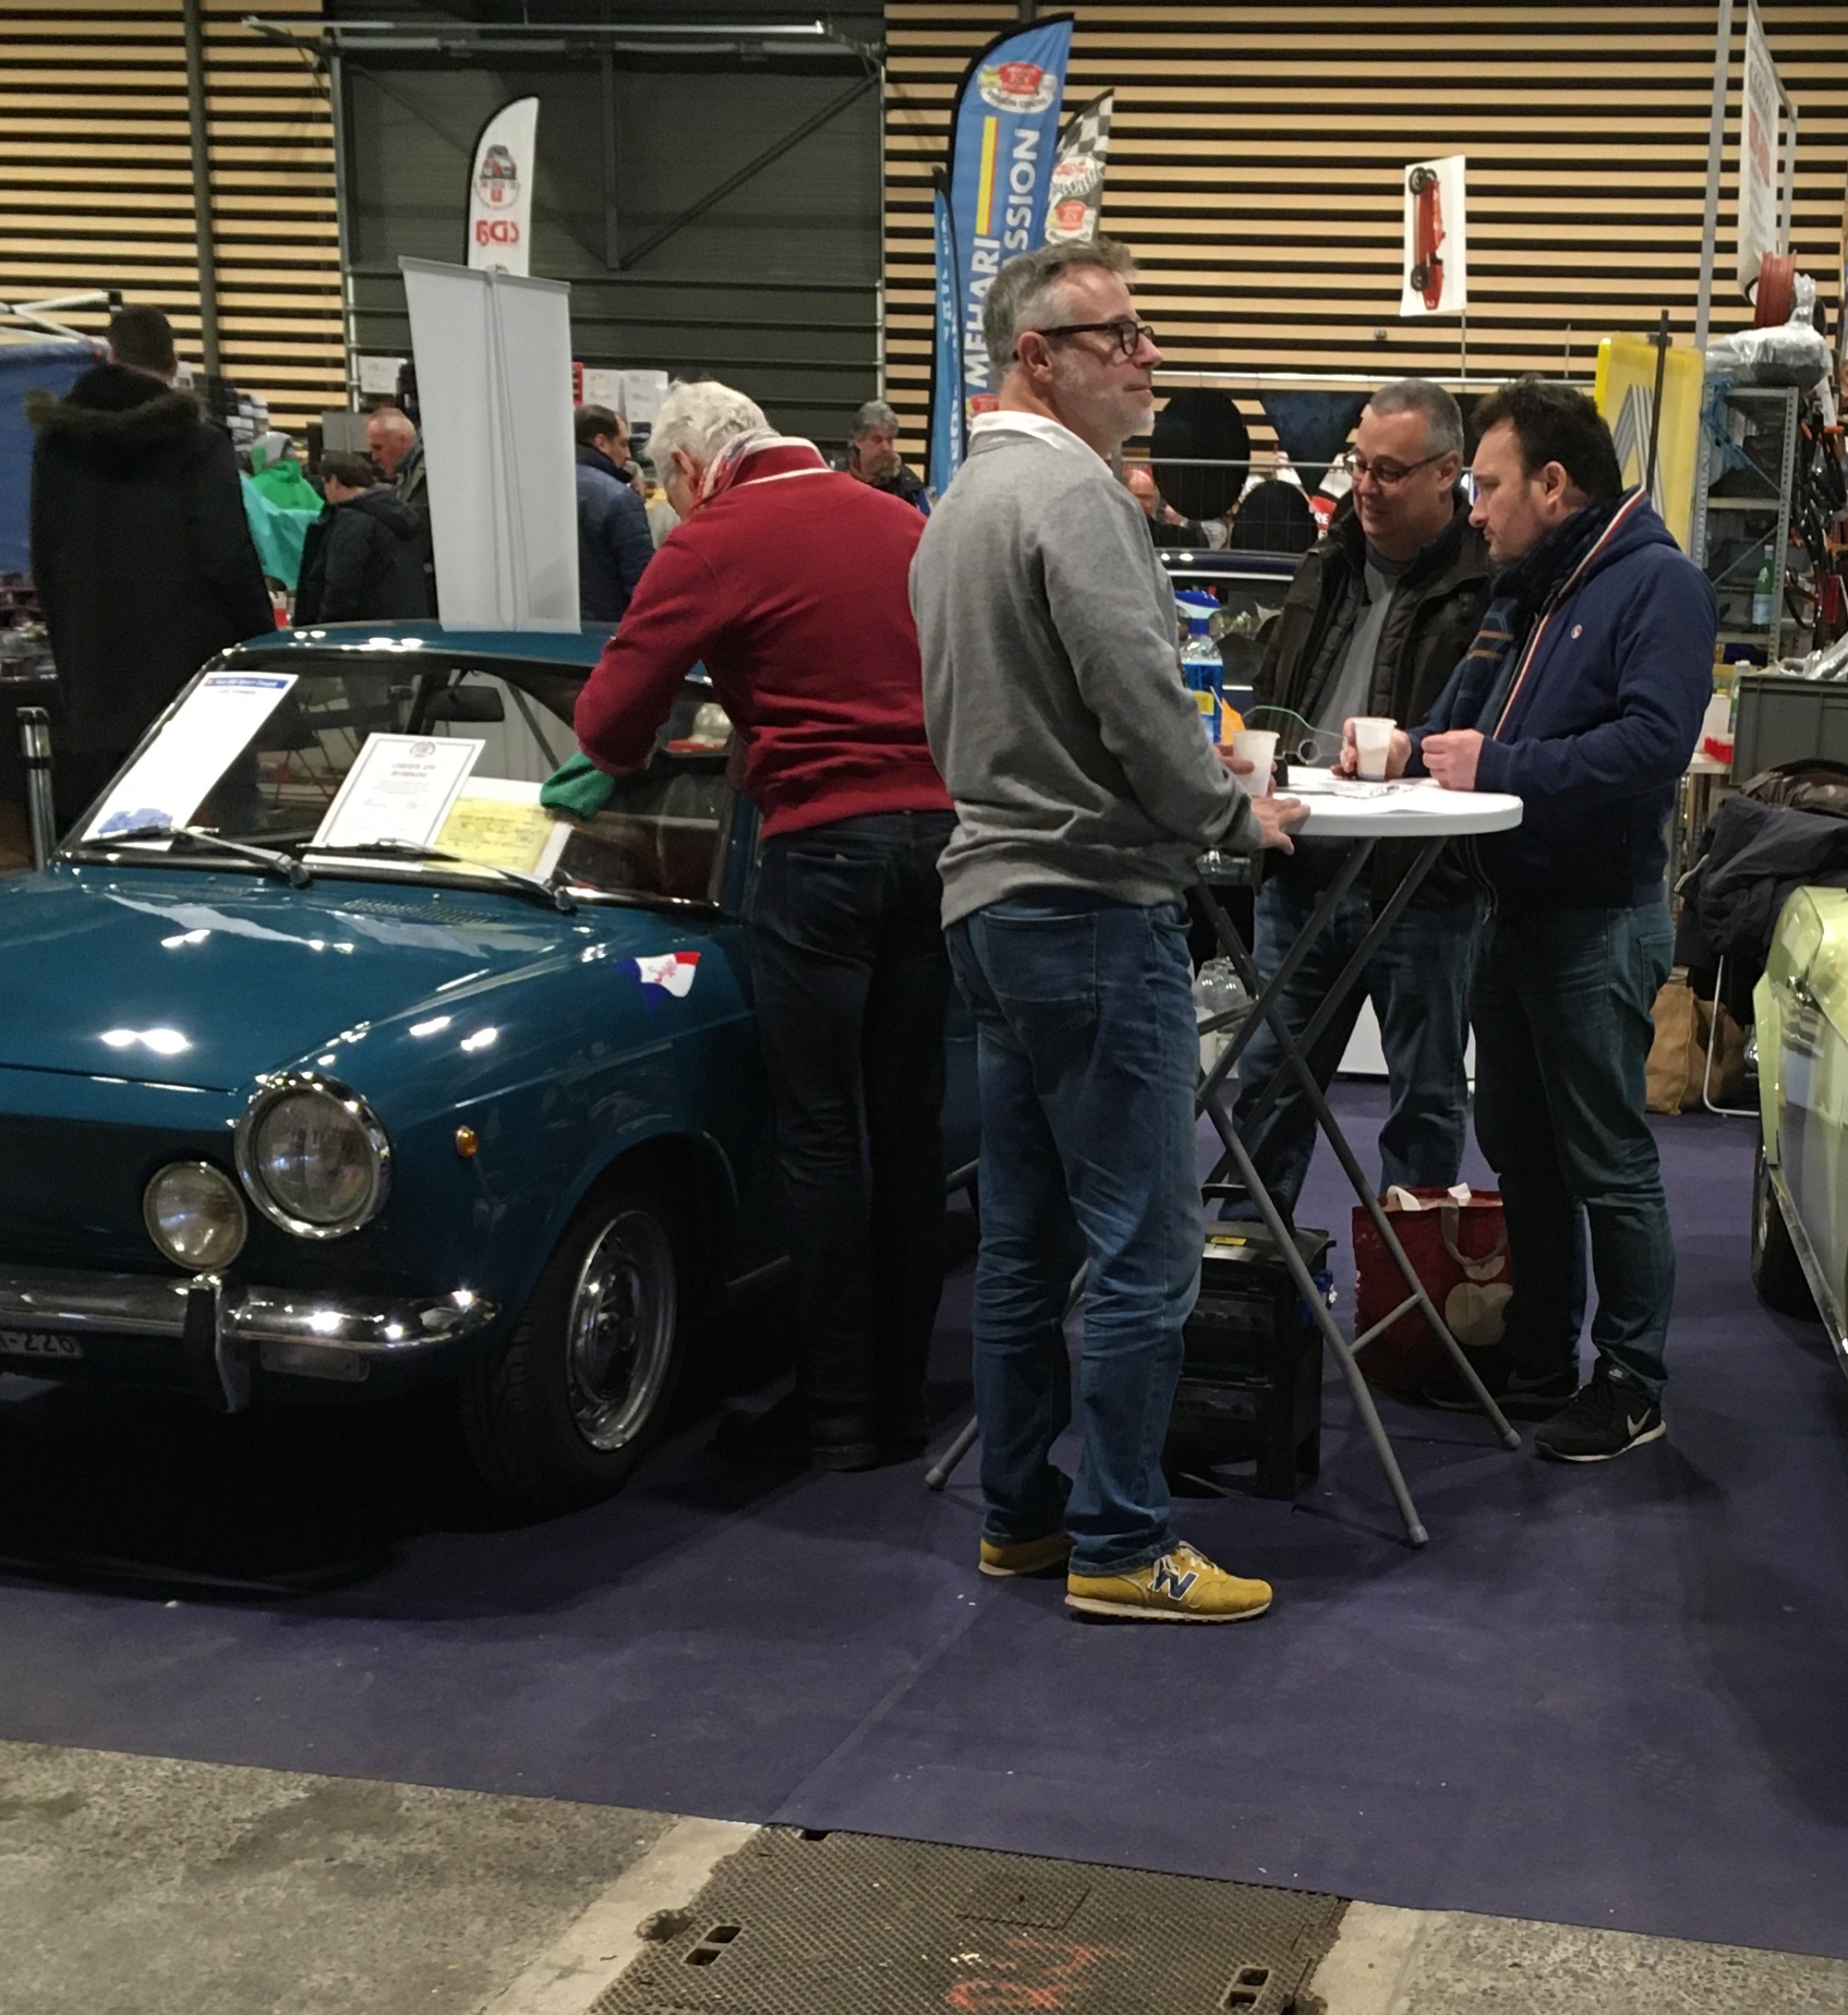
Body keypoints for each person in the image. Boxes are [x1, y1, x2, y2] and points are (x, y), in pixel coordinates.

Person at [910, 235, 1304, 1622]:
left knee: (1026, 1244)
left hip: (993, 899)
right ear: (1039, 356)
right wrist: (1229, 814)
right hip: (1087, 902)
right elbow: (1139, 695)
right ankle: (1125, 1544)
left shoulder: (960, 502)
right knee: (1147, 1248)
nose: (1147, 358)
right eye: (1117, 336)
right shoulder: (1075, 497)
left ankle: (1021, 1516)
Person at [575, 378, 960, 1470]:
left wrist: (622, 759)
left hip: (822, 851)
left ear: (688, 471)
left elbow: (610, 720)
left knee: (821, 1131)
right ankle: (904, 1401)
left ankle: (835, 1411)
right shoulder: (902, 521)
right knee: (910, 1126)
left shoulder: (716, 538)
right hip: (940, 843)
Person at [1383, 377, 1712, 1465]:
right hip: (1511, 913)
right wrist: (1405, 747)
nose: (1473, 508)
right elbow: (1461, 723)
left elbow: (1654, 745)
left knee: (1606, 1162)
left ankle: (1631, 1380)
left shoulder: (1655, 585)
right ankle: (1538, 1357)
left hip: (1595, 920)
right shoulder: (1528, 589)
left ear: (1554, 485)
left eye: (1487, 485)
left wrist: (1502, 766)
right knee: (1522, 1153)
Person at [1220, 377, 1494, 1217]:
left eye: (1390, 471)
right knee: (1268, 1086)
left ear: (1447, 472)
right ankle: (1252, 1266)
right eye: (1359, 465)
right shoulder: (1327, 559)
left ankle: (1407, 1280)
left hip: (1421, 885)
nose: (1366, 487)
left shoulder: (1485, 587)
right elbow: (1276, 692)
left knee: (1426, 1102)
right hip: (1301, 866)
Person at [23, 304, 274, 826]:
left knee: (123, 835)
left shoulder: (57, 445)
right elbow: (228, 557)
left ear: (110, 354)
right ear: (173, 363)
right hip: (198, 681)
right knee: (226, 840)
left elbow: (47, 558)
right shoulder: (198, 443)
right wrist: (261, 647)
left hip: (98, 678)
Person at [291, 448, 433, 625]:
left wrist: (326, 626)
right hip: (405, 623)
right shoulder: (398, 513)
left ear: (334, 481)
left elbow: (340, 585)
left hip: (363, 629)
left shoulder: (351, 521)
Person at [572, 404, 653, 625]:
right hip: (605, 630)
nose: (628, 455)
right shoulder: (619, 499)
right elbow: (642, 586)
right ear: (601, 442)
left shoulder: (538, 488)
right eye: (623, 444)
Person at [847, 397, 925, 507]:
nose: (886, 448)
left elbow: (934, 510)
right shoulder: (837, 473)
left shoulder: (910, 485)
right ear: (858, 440)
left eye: (889, 440)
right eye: (877, 440)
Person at [362, 397, 427, 519]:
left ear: (402, 440)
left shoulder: (426, 469)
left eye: (378, 448)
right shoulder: (410, 470)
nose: (374, 457)